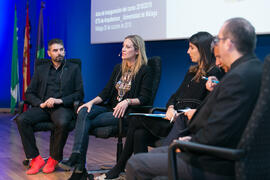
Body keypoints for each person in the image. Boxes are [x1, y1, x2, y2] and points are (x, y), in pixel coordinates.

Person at [126, 17, 262, 180]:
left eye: (218, 40)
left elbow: (221, 128)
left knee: (136, 164)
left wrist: (190, 142)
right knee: (158, 164)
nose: (215, 47)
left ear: (229, 43)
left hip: (212, 162)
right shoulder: (253, 70)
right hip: (215, 150)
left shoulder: (237, 78)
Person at [98, 32, 224, 179]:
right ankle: (142, 174)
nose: (187, 51)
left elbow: (206, 107)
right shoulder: (191, 72)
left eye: (191, 48)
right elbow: (173, 98)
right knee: (139, 134)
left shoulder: (215, 75)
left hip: (185, 123)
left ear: (202, 49)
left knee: (135, 120)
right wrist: (171, 108)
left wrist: (181, 113)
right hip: (171, 118)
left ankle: (120, 166)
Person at [58, 35, 153, 179]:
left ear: (138, 51)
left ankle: (78, 169)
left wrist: (127, 102)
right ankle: (76, 157)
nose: (123, 49)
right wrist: (90, 103)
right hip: (109, 108)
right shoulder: (118, 68)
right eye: (123, 46)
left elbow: (145, 98)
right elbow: (106, 92)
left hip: (126, 113)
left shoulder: (145, 70)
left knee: (83, 122)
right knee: (84, 110)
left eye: (128, 47)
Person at [16, 38, 84, 175]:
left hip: (62, 107)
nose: (59, 53)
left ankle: (54, 158)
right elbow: (29, 93)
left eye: (61, 50)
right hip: (44, 107)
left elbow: (79, 94)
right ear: (49, 53)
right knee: (22, 119)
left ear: (64, 51)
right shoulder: (41, 69)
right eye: (55, 50)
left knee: (62, 122)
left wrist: (60, 101)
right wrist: (40, 103)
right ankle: (35, 158)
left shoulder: (73, 68)